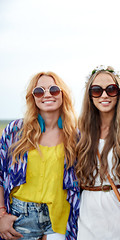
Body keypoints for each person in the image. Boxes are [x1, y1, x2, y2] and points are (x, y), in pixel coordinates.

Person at [0, 72, 79, 240]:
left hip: (61, 218)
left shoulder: (76, 135)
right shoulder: (14, 131)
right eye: (39, 91)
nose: (47, 94)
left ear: (62, 94)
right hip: (20, 219)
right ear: (33, 97)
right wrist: (1, 215)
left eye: (54, 89)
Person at [75, 65, 120, 240]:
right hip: (87, 212)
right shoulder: (81, 131)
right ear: (90, 96)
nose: (104, 95)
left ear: (119, 93)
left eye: (111, 89)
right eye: (97, 90)